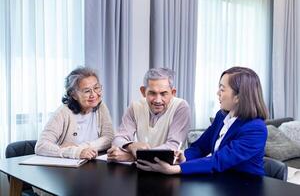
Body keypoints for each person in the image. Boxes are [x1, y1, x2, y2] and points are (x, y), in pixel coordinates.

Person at [137, 66, 268, 176]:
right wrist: (183, 157)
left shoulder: (256, 128)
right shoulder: (221, 116)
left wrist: (177, 169)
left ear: (239, 97)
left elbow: (220, 160)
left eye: (222, 89)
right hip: (221, 182)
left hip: (245, 187)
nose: (218, 93)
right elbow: (200, 147)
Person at [107, 68, 191, 162]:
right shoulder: (135, 107)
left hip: (171, 169)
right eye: (152, 93)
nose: (158, 100)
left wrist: (134, 156)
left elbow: (172, 148)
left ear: (173, 93)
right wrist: (131, 145)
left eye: (163, 94)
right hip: (141, 168)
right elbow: (118, 139)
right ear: (143, 91)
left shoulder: (181, 107)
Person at [35, 67, 114, 159]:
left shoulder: (101, 107)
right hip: (67, 169)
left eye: (96, 88)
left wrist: (82, 147)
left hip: (92, 164)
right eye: (87, 91)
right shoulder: (62, 112)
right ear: (74, 95)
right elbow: (41, 146)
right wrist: (75, 152)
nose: (94, 94)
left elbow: (109, 138)